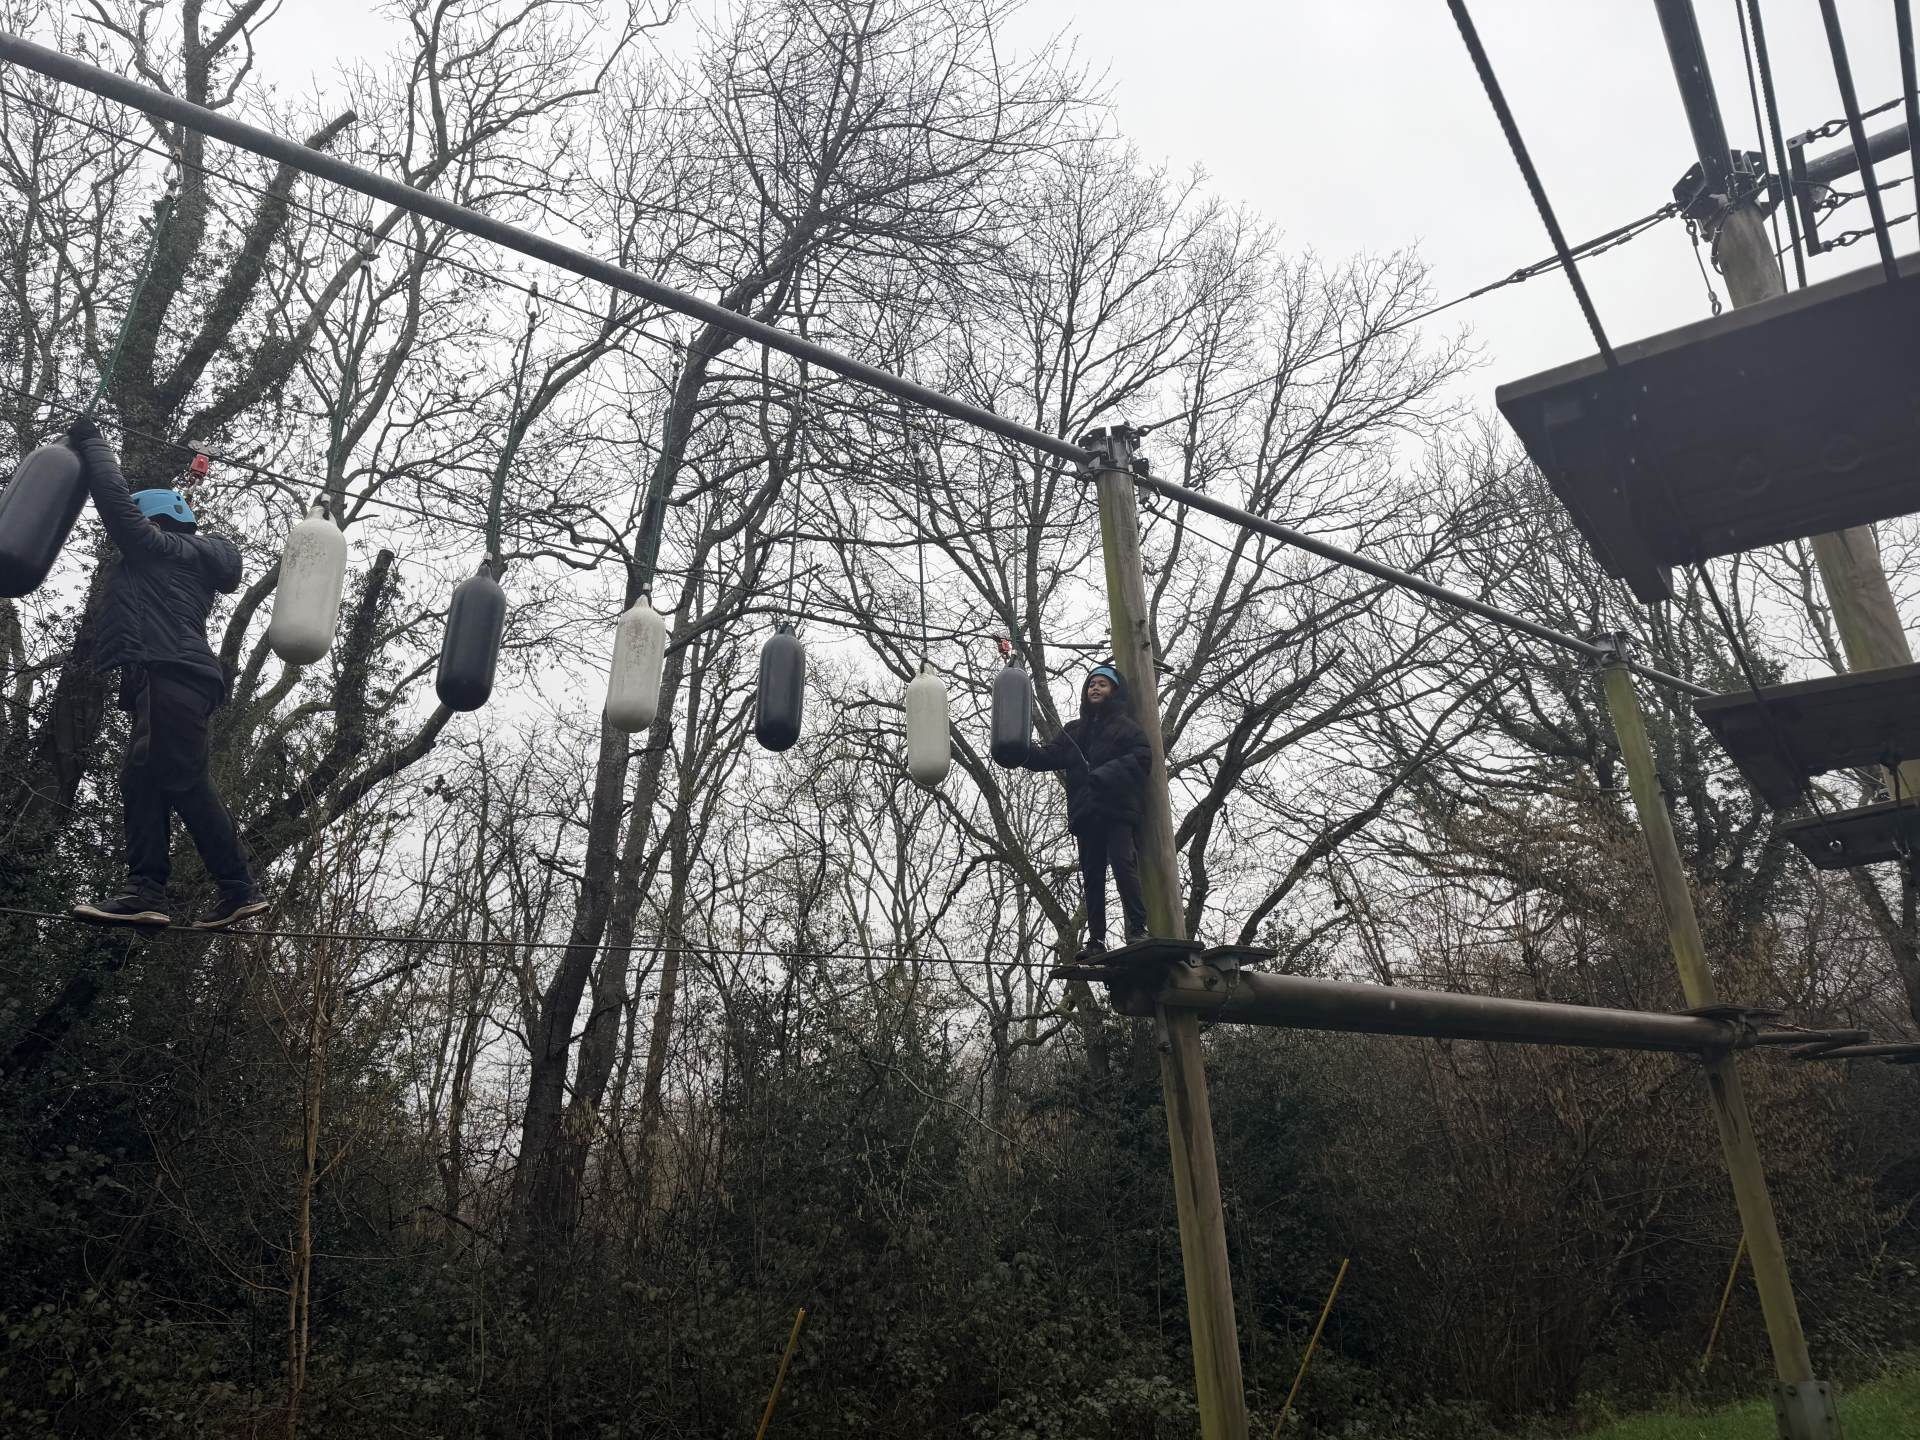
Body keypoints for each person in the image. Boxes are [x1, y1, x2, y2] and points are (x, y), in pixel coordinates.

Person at [64, 414, 266, 931]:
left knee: (181, 779)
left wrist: (92, 443)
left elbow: (115, 505)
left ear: (151, 521)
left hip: (173, 673)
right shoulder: (177, 559)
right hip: (170, 678)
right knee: (143, 779)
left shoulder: (165, 549)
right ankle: (147, 891)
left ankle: (236, 887)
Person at [1021, 662, 1153, 959]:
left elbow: (1142, 759)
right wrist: (1021, 751)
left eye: (1102, 684)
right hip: (1086, 815)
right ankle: (1096, 940)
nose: (1095, 688)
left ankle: (1137, 928)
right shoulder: (1075, 731)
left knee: (1123, 865)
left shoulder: (1128, 729)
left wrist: (1104, 775)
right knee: (1092, 876)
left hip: (1116, 812)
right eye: (1091, 684)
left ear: (1114, 692)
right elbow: (1049, 756)